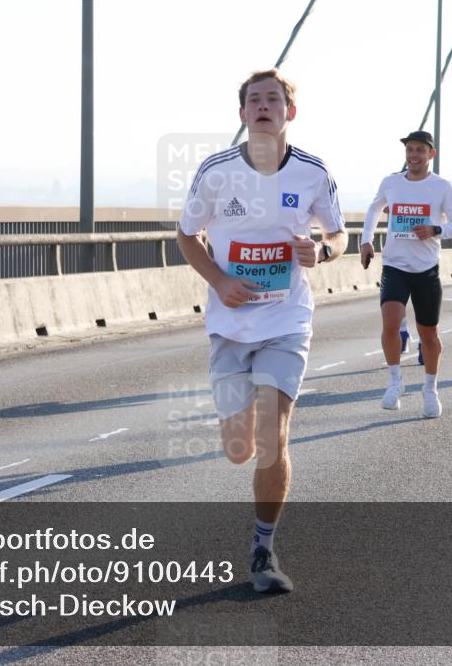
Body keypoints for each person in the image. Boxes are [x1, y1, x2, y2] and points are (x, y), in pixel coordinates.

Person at [176, 69, 348, 593]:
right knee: (239, 449)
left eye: (275, 99)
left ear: (290, 112)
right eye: (255, 100)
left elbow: (340, 235)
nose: (265, 106)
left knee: (273, 442)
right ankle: (241, 422)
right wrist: (219, 279)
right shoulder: (216, 171)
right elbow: (185, 236)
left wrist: (321, 251)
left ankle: (262, 550)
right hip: (229, 326)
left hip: (285, 321)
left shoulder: (313, 173)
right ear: (243, 114)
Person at [361, 130, 452, 418]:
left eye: (420, 150)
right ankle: (395, 382)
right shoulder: (391, 183)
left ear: (431, 154)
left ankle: (430, 389)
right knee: (391, 322)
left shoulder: (442, 187)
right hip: (395, 265)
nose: (413, 155)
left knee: (429, 334)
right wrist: (365, 240)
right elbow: (373, 209)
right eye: (410, 150)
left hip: (426, 269)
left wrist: (436, 229)